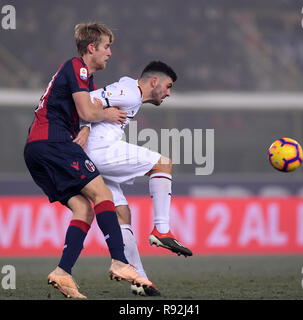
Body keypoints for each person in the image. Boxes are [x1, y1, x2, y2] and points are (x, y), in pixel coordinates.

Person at [23, 23, 152, 299]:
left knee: (83, 208)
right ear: (91, 48)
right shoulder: (77, 67)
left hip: (38, 148)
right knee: (102, 193)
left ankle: (63, 272)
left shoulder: (86, 81)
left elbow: (82, 114)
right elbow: (86, 109)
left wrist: (85, 127)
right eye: (106, 46)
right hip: (53, 142)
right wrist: (105, 115)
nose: (110, 53)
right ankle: (119, 260)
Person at [77, 61, 193, 296]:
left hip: (91, 155)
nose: (169, 93)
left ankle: (138, 277)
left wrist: (96, 118)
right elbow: (86, 99)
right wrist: (87, 127)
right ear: (154, 82)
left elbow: (95, 101)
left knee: (121, 212)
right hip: (99, 151)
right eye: (168, 86)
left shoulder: (129, 90)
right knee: (163, 164)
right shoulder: (130, 93)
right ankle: (161, 230)